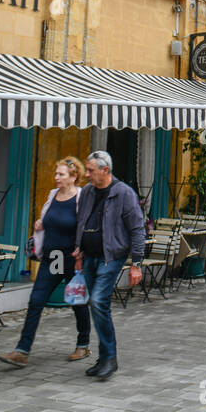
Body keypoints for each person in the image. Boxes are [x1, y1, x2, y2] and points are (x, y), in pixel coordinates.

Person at [0, 157, 92, 368]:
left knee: (76, 301)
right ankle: (22, 350)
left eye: (61, 174)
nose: (56, 178)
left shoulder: (80, 198)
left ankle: (83, 343)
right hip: (53, 258)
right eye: (56, 174)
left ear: (74, 176)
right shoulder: (52, 195)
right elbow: (48, 218)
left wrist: (81, 254)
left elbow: (85, 227)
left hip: (72, 259)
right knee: (36, 300)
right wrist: (41, 223)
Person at [72, 151, 147, 381]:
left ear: (105, 170)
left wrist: (136, 263)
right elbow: (81, 221)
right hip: (90, 256)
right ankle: (104, 357)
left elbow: (137, 229)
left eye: (91, 170)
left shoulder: (123, 193)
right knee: (96, 305)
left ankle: (110, 359)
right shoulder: (87, 192)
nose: (86, 174)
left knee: (98, 301)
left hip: (110, 256)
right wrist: (78, 251)